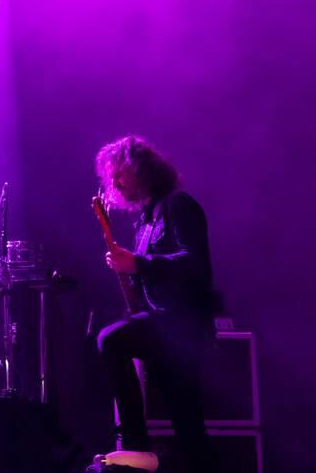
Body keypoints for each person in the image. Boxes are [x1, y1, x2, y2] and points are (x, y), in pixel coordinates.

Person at [90, 136, 217, 473]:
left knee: (111, 340)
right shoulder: (144, 221)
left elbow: (196, 263)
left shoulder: (179, 206)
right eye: (111, 178)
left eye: (120, 174)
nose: (115, 183)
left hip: (183, 326)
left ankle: (135, 444)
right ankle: (139, 450)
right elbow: (146, 272)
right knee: (186, 421)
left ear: (142, 170)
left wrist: (139, 264)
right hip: (163, 326)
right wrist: (128, 268)